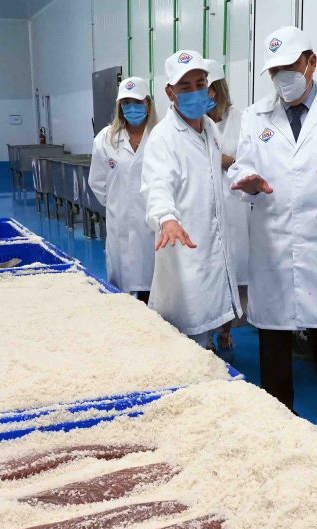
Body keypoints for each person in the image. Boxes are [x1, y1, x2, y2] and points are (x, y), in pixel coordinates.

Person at [229, 26, 317, 444]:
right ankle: (280, 422)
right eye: (274, 71)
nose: (282, 78)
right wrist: (247, 181)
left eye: (290, 67)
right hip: (273, 241)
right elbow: (240, 166)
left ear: (311, 63)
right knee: (273, 339)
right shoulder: (255, 116)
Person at [141, 49, 240, 347]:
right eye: (185, 87)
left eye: (200, 84)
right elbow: (157, 185)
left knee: (212, 316)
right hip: (184, 246)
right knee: (187, 335)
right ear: (170, 92)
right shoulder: (164, 137)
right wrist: (166, 218)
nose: (195, 92)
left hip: (213, 244)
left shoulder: (210, 129)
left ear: (209, 87)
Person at [88, 76, 157, 300]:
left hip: (154, 226)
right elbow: (97, 182)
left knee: (155, 289)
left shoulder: (160, 136)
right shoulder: (106, 139)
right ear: (120, 107)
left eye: (137, 102)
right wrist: (120, 205)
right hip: (120, 225)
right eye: (126, 103)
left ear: (148, 104)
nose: (131, 108)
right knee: (122, 291)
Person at [204, 58, 250, 351]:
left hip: (235, 209)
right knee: (209, 275)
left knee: (234, 275)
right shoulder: (195, 123)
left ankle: (226, 330)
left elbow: (253, 161)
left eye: (210, 89)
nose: (207, 96)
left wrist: (228, 161)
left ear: (219, 89)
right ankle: (207, 335)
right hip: (204, 209)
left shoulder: (242, 120)